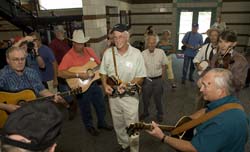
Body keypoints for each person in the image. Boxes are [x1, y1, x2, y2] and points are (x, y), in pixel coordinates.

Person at [147, 68, 248, 152]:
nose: (201, 90)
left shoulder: (222, 124)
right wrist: (189, 120)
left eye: (205, 86)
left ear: (219, 92)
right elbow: (207, 111)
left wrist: (163, 137)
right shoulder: (232, 103)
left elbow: (194, 148)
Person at [100, 24, 147, 152]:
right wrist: (104, 85)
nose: (117, 40)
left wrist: (126, 85)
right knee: (118, 123)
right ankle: (124, 144)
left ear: (127, 37)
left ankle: (134, 149)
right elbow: (103, 72)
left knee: (132, 126)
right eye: (115, 37)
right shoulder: (108, 53)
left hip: (130, 97)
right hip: (113, 97)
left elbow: (141, 77)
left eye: (120, 37)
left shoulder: (136, 54)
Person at [58, 29, 112, 136]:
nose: (81, 46)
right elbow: (60, 73)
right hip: (81, 87)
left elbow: (99, 64)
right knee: (85, 109)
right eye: (78, 44)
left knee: (100, 105)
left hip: (94, 84)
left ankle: (102, 123)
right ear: (73, 43)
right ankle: (89, 127)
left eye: (82, 43)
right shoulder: (68, 56)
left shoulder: (89, 50)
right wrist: (78, 75)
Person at [49, 25, 77, 120]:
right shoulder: (53, 44)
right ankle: (71, 106)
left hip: (69, 70)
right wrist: (55, 76)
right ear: (57, 33)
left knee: (71, 88)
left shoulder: (65, 41)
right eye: (62, 32)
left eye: (63, 32)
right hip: (61, 71)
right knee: (65, 91)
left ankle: (73, 105)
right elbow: (53, 61)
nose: (63, 33)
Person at [210, 30, 248, 95]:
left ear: (234, 43)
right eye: (220, 42)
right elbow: (209, 69)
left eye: (227, 42)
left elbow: (239, 84)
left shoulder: (240, 60)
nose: (222, 45)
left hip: (228, 96)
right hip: (212, 92)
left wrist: (227, 75)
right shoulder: (216, 56)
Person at [140, 34, 167, 122]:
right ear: (147, 43)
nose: (151, 45)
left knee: (158, 98)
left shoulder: (161, 52)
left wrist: (162, 79)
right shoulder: (142, 54)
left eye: (153, 43)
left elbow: (164, 65)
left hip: (158, 79)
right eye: (149, 43)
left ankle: (160, 113)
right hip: (147, 80)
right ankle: (145, 112)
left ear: (156, 43)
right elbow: (140, 68)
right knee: (145, 99)